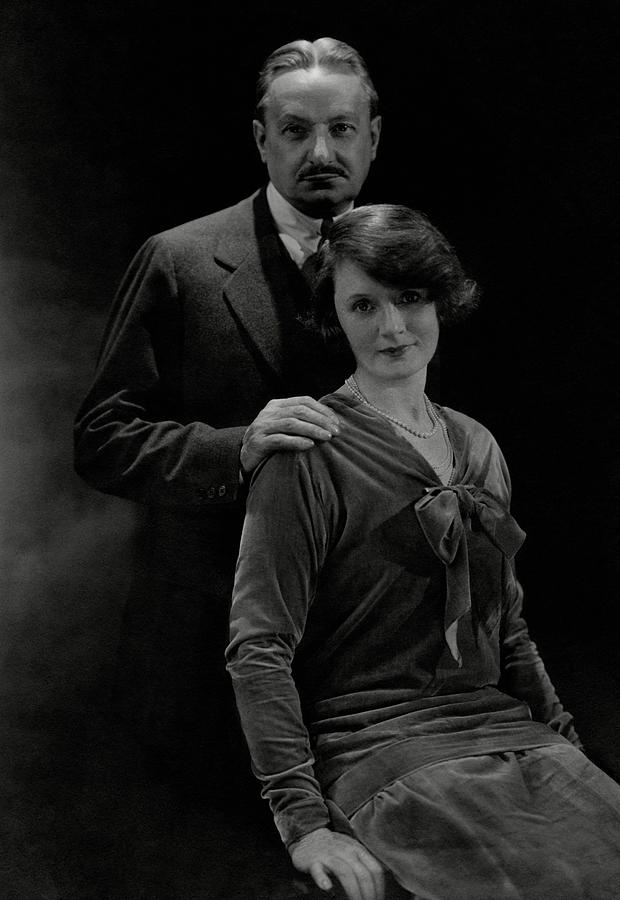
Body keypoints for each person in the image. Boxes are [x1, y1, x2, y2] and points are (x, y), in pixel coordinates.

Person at [226, 205, 620, 900]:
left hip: (507, 734)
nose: (391, 327)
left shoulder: (477, 445)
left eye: (410, 298)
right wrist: (303, 824)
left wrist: (584, 763)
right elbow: (258, 646)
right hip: (381, 746)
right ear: (336, 316)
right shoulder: (308, 455)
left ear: (441, 297)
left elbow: (508, 630)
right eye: (364, 304)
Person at [73, 37, 381, 787]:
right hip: (207, 665)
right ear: (260, 139)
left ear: (373, 136)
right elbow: (103, 439)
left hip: (370, 669)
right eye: (295, 130)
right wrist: (237, 448)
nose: (320, 151)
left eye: (341, 129)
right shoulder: (178, 260)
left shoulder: (408, 267)